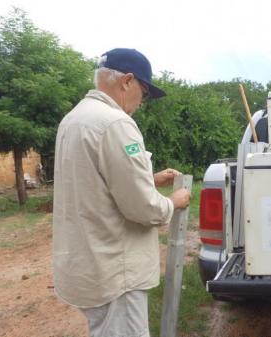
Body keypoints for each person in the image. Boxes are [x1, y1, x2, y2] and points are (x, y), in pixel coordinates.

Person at [52, 48, 191, 337]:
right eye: (145, 91)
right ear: (127, 81)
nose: (144, 101)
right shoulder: (116, 124)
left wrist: (148, 179)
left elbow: (94, 182)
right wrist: (173, 203)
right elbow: (142, 209)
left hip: (88, 265)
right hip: (116, 270)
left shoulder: (75, 118)